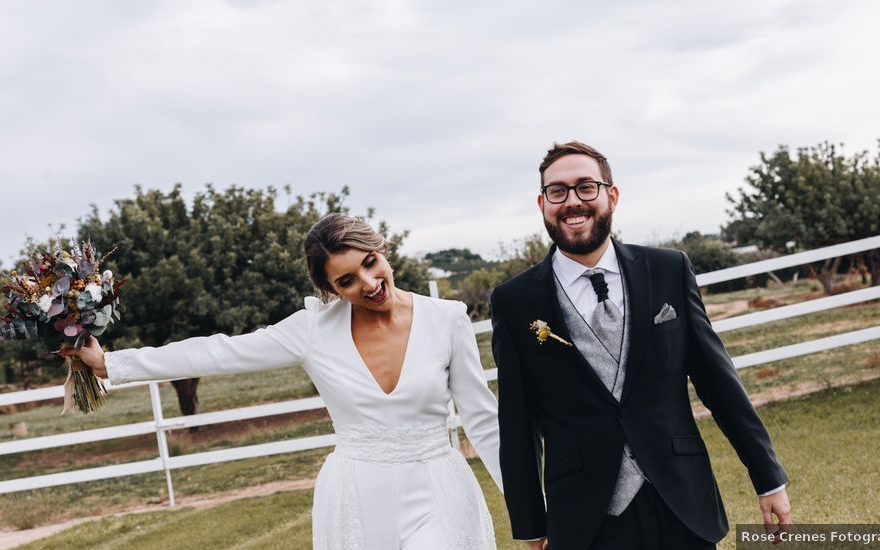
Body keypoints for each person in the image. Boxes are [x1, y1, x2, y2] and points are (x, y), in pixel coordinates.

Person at [64, 213, 503, 550]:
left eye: (371, 263)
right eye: (347, 280)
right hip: (357, 494)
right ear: (330, 288)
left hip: (439, 487)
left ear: (382, 250)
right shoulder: (313, 330)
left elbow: (483, 420)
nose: (369, 284)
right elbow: (220, 351)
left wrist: (531, 513)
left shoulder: (447, 319)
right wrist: (111, 365)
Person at [491, 141, 791, 550]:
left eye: (586, 187)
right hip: (585, 518)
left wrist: (767, 475)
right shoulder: (514, 301)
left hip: (682, 501)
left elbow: (718, 382)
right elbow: (517, 421)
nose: (572, 201)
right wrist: (530, 522)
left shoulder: (668, 270)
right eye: (557, 191)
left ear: (611, 196)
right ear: (542, 203)